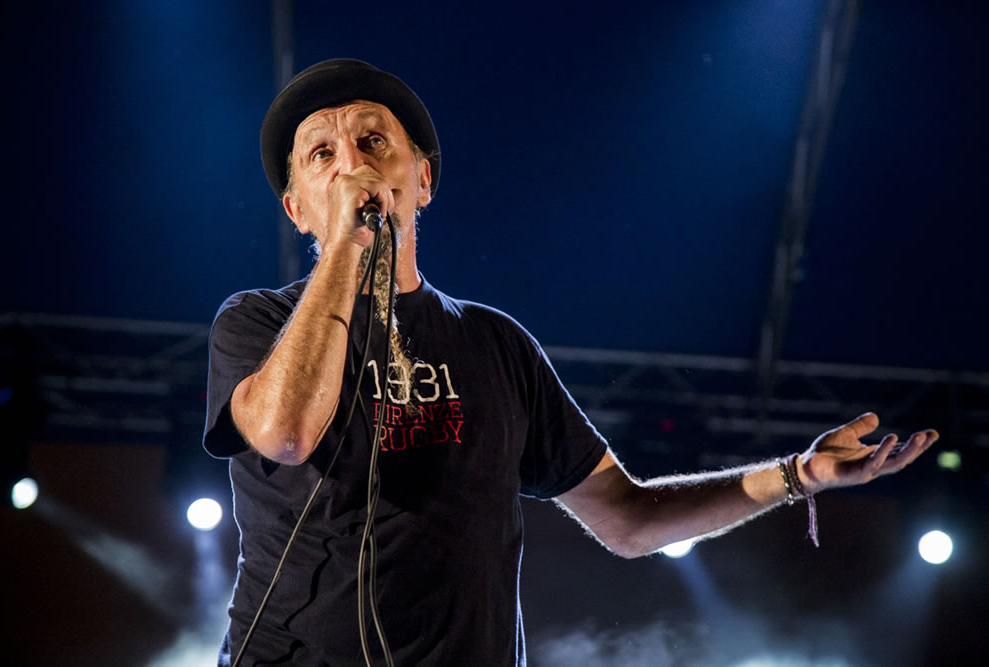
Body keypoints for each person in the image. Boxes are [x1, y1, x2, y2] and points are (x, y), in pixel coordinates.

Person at [203, 58, 937, 666]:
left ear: (422, 180)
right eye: (322, 155)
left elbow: (628, 517)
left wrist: (797, 474)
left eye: (373, 142)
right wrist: (346, 246)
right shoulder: (255, 323)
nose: (352, 166)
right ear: (298, 209)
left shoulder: (496, 344)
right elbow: (287, 433)